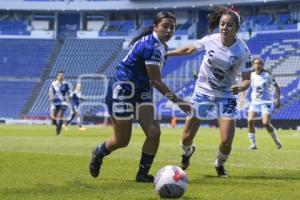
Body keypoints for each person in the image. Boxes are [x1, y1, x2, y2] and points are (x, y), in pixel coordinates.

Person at [88, 11, 192, 183]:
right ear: (155, 27)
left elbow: (165, 56)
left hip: (142, 90)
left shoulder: (160, 46)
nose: (168, 31)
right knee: (122, 140)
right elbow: (157, 82)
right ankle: (99, 152)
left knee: (154, 132)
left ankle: (142, 174)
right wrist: (179, 102)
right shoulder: (151, 47)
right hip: (123, 90)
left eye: (172, 28)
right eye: (165, 26)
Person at [167, 6, 252, 178]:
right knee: (185, 138)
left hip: (226, 96)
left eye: (229, 25)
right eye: (222, 24)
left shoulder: (243, 51)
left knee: (226, 141)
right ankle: (187, 153)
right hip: (203, 92)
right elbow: (189, 49)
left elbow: (247, 79)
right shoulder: (211, 39)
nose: (224, 28)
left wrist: (240, 87)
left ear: (236, 28)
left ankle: (219, 164)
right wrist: (166, 53)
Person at [240, 57, 282, 150]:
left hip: (266, 102)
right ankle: (253, 144)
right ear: (253, 65)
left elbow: (277, 87)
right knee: (250, 120)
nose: (257, 65)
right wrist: (242, 98)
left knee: (266, 123)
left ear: (262, 65)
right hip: (254, 102)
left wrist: (278, 99)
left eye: (259, 64)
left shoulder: (267, 75)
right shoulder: (251, 75)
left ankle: (277, 141)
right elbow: (244, 86)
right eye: (255, 64)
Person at [48, 71, 72, 136]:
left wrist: (69, 99)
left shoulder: (66, 84)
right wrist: (50, 97)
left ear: (63, 76)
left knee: (60, 115)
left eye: (62, 75)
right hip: (55, 102)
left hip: (63, 102)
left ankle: (58, 132)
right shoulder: (53, 84)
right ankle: (57, 126)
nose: (61, 77)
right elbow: (50, 91)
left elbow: (70, 93)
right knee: (53, 118)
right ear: (57, 76)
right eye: (59, 75)